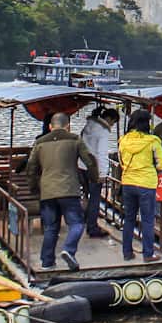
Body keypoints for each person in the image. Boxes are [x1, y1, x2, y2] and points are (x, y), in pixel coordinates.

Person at [26, 112, 98, 271]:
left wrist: (34, 188)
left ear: (50, 126)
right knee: (77, 223)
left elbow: (31, 168)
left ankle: (47, 262)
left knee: (51, 228)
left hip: (47, 191)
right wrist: (94, 179)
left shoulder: (39, 143)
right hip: (69, 189)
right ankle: (69, 249)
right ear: (68, 125)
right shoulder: (75, 140)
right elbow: (90, 162)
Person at [118, 109, 162, 262]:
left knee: (129, 218)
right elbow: (161, 164)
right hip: (146, 183)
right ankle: (148, 253)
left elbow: (121, 161)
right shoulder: (153, 141)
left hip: (128, 182)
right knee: (147, 220)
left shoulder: (123, 140)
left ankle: (127, 252)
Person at [79, 107, 119, 238]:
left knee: (85, 195)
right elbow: (101, 153)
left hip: (81, 165)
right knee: (95, 198)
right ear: (110, 119)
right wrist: (102, 173)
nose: (112, 125)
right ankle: (92, 227)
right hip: (94, 168)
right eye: (113, 122)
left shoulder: (89, 124)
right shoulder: (103, 131)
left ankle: (83, 220)